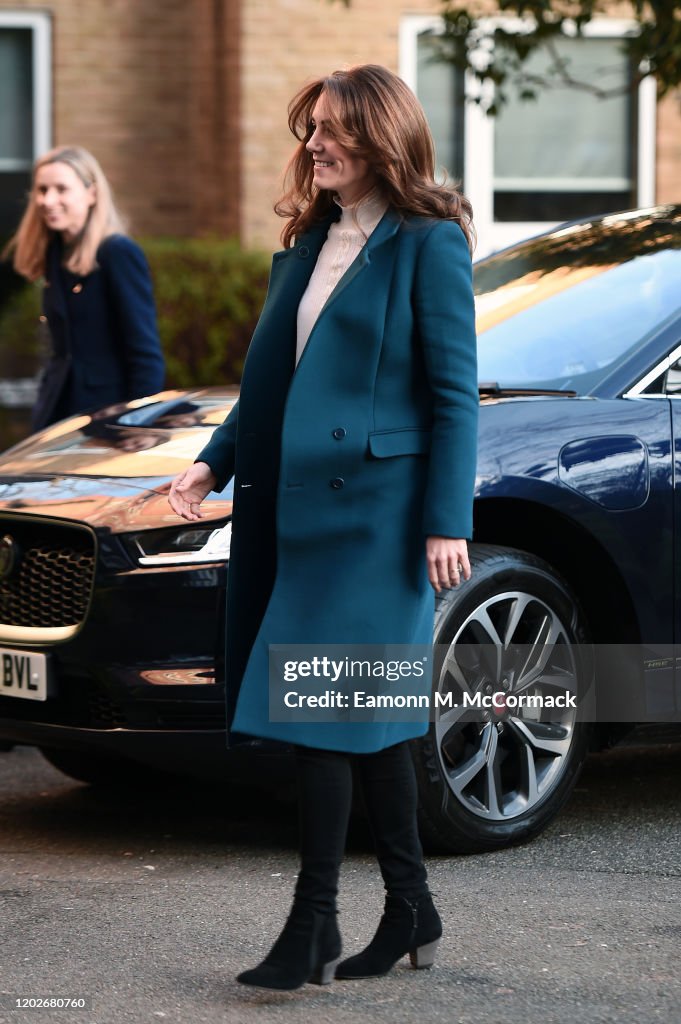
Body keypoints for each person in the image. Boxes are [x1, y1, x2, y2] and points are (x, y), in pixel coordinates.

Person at [168, 64, 478, 990]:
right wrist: (211, 459)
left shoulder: (428, 243)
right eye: (310, 130)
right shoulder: (311, 240)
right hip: (298, 516)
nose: (314, 145)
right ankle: (411, 908)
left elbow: (453, 395)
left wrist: (442, 521)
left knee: (327, 717)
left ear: (380, 135)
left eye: (334, 130)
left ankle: (312, 926)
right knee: (363, 722)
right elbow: (273, 383)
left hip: (380, 523)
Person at [4, 145, 165, 431]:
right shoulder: (55, 255)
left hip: (106, 420)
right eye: (42, 190)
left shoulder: (116, 253)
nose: (47, 200)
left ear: (91, 193)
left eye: (61, 189)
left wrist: (137, 424)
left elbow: (145, 354)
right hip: (56, 415)